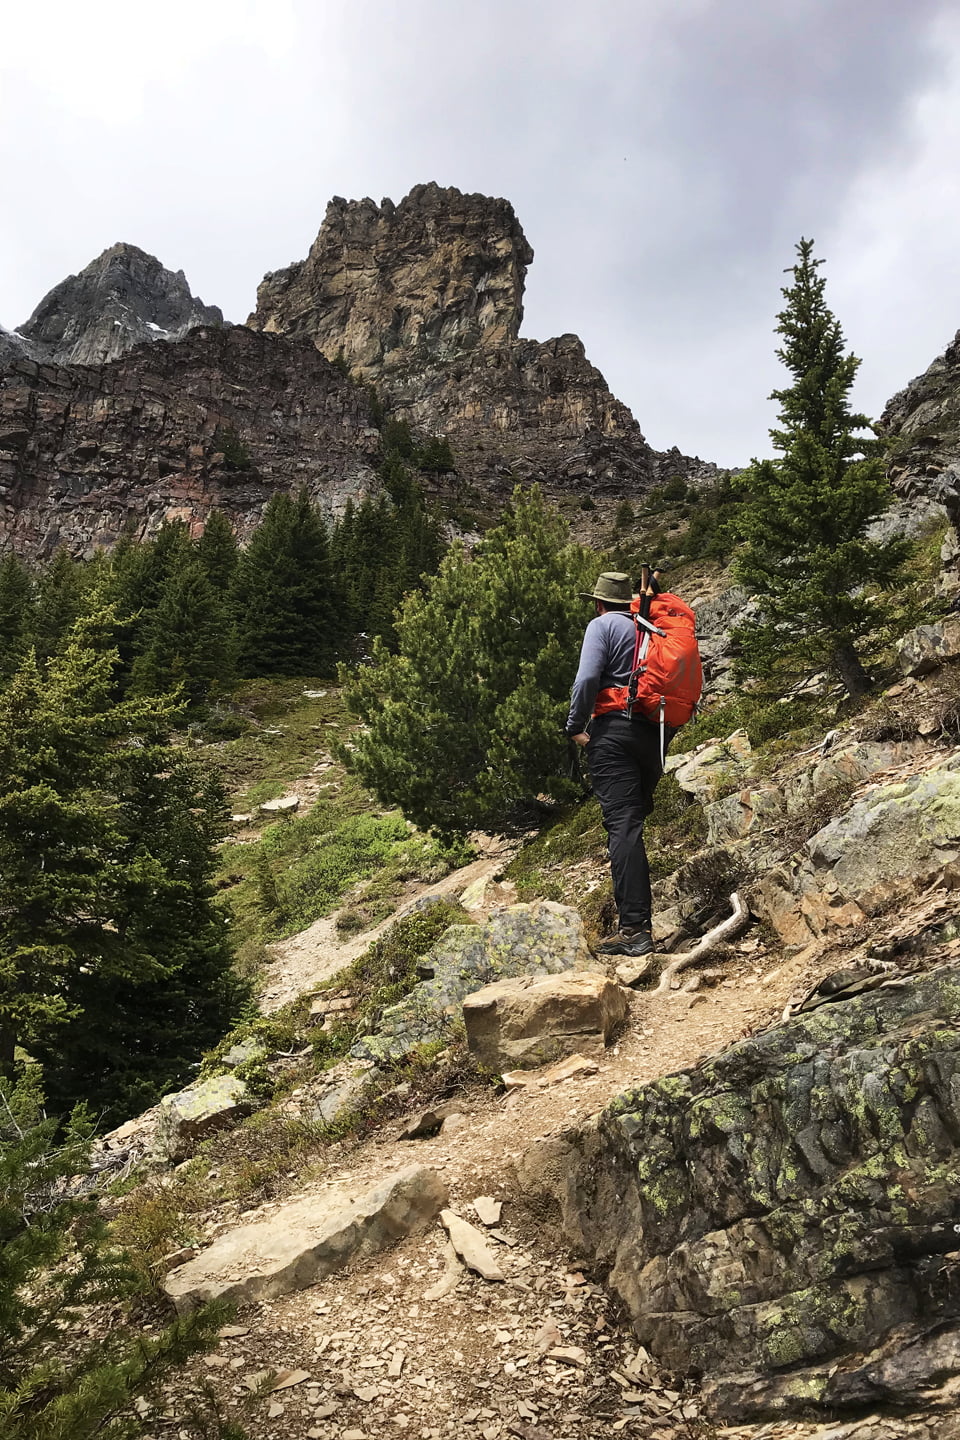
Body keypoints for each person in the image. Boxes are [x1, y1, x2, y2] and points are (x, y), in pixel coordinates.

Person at [565, 571, 671, 959]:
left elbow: (588, 677)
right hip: (654, 736)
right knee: (634, 825)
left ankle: (635, 931)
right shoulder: (651, 629)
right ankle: (639, 922)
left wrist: (575, 726)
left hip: (613, 735)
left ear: (597, 602)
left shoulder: (601, 625)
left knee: (623, 827)